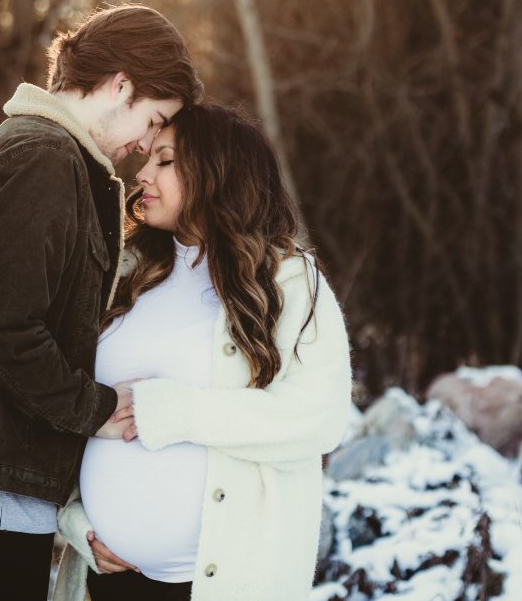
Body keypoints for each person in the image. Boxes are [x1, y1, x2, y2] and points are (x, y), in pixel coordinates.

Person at [0, 4, 202, 600]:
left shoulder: (32, 147)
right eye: (152, 120)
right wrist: (97, 409)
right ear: (120, 84)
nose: (141, 145)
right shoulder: (45, 158)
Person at [53, 103, 354, 601]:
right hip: (110, 580)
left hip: (222, 584)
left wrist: (171, 410)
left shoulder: (289, 281)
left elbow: (317, 416)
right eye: (148, 158)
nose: (142, 173)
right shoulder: (123, 272)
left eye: (165, 161)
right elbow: (69, 403)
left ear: (216, 173)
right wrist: (77, 518)